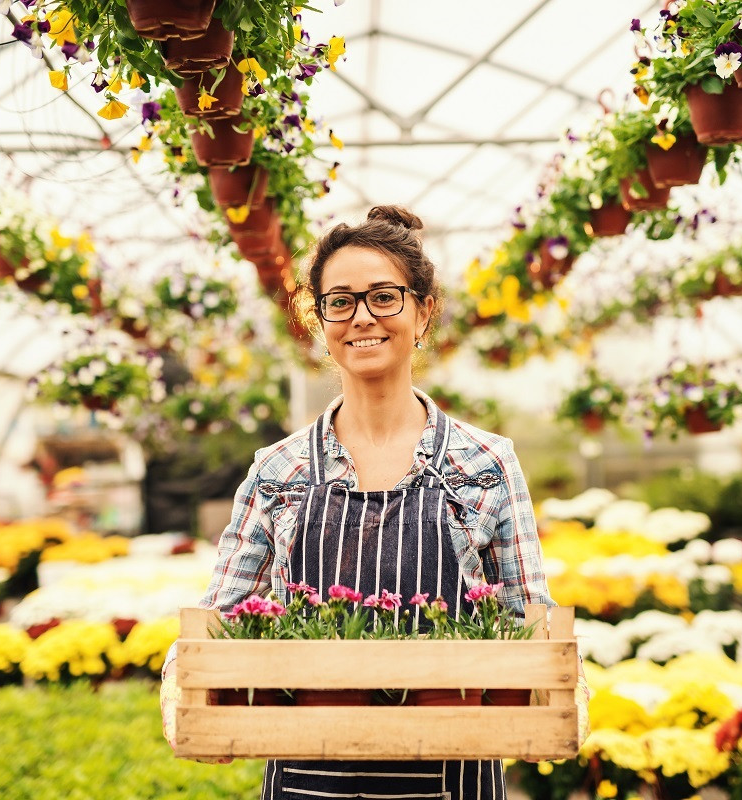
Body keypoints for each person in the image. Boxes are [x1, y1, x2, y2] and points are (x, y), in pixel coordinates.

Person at [160, 205, 572, 799]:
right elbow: (219, 620)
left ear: (423, 311)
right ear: (319, 319)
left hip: (453, 775)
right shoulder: (278, 470)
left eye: (384, 297)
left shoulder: (486, 464)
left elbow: (528, 621)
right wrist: (185, 688)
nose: (361, 317)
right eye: (340, 301)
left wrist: (562, 693)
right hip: (308, 780)